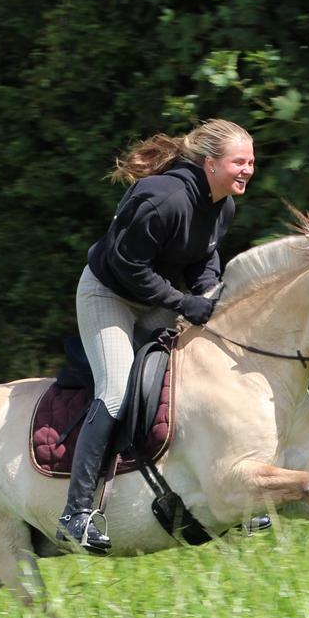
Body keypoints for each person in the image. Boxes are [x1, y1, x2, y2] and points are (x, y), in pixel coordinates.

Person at [56, 118, 256, 554]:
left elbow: (203, 257)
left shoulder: (222, 206)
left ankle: (229, 491)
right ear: (210, 164)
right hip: (108, 295)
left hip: (157, 294)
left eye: (251, 163)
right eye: (238, 162)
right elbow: (127, 267)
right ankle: (76, 512)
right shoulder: (160, 199)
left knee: (193, 381)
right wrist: (187, 304)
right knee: (115, 390)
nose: (247, 170)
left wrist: (209, 292)